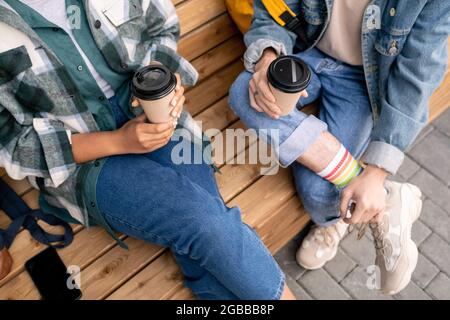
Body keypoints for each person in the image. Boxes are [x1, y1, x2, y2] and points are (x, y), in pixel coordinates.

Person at [0, 0, 295, 300]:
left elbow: (161, 26)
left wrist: (163, 80)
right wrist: (119, 141)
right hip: (82, 157)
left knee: (206, 230)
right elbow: (11, 142)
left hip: (153, 112)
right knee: (203, 220)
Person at [229, 0, 449, 294]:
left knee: (318, 192)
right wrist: (268, 57)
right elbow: (273, 7)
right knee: (247, 91)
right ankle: (386, 199)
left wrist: (378, 169)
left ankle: (344, 214)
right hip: (307, 50)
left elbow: (418, 72)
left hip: (363, 81)